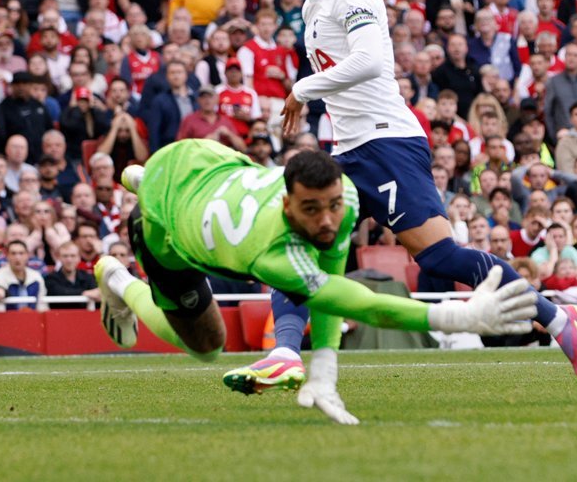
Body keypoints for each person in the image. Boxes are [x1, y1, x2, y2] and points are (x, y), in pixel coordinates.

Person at [252, 0, 577, 385]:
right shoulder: (311, 3)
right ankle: (284, 352)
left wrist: (302, 89)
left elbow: (369, 60)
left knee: (440, 257)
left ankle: (559, 319)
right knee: (298, 243)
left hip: (387, 143)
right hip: (349, 151)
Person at [95, 140, 536, 424]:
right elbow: (362, 303)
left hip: (204, 160)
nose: (326, 221)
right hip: (165, 220)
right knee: (207, 345)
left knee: (322, 243)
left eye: (330, 207)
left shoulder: (340, 195)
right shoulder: (271, 253)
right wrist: (456, 315)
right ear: (287, 205)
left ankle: (140, 175)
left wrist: (324, 370)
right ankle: (117, 281)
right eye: (310, 210)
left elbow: (333, 273)